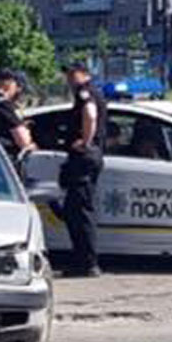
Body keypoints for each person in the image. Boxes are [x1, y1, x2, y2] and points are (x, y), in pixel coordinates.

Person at [60, 62, 108, 278]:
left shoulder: (85, 92)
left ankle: (88, 263)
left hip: (84, 158)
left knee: (80, 212)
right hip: (89, 158)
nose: (69, 79)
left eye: (73, 74)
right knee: (74, 210)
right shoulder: (94, 92)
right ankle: (82, 259)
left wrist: (85, 142)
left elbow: (90, 114)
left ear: (85, 75)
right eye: (68, 75)